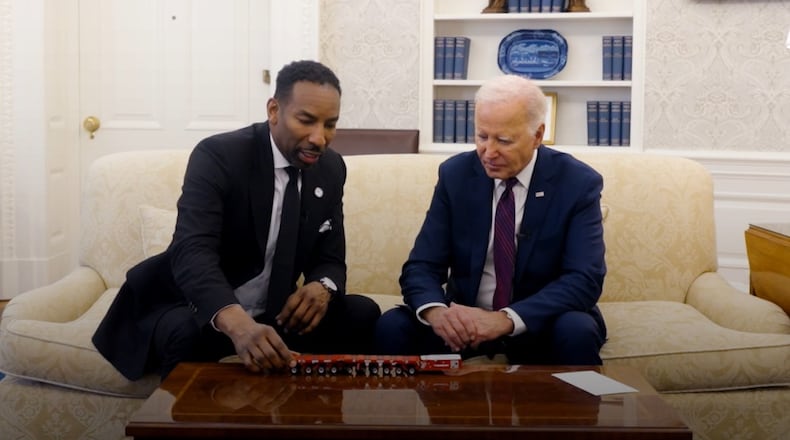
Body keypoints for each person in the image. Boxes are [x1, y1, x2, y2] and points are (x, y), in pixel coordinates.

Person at [93, 60, 381, 380]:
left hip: (273, 313)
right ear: (274, 110)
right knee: (186, 334)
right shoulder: (220, 155)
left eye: (330, 124)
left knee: (361, 313)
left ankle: (313, 411)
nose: (320, 138)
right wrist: (237, 323)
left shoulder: (330, 168)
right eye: (306, 120)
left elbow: (330, 257)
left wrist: (322, 286)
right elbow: (192, 250)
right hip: (194, 306)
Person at [375, 74, 607, 365]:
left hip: (539, 320)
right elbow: (422, 266)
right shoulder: (455, 175)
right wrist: (438, 313)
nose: (489, 152)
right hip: (466, 321)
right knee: (393, 326)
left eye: (504, 140)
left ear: (537, 135)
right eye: (482, 137)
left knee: (576, 331)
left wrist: (506, 319)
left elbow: (584, 278)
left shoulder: (577, 183)